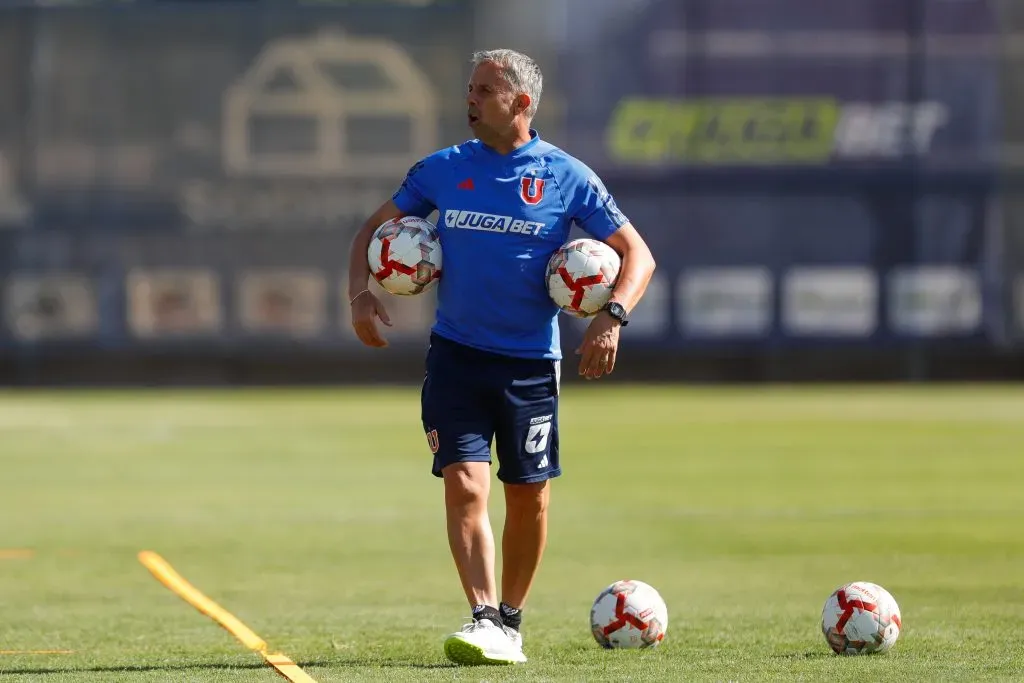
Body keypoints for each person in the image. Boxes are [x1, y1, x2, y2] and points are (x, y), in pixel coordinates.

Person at [346, 49, 656, 666]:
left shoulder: (567, 176)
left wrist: (610, 316)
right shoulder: (440, 170)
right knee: (464, 485)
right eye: (469, 87)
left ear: (521, 102)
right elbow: (371, 232)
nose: (470, 98)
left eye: (484, 89)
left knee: (529, 496)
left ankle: (510, 619)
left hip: (531, 366)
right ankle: (484, 614)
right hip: (457, 356)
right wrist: (361, 292)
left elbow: (637, 255)